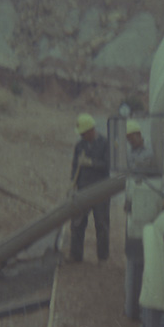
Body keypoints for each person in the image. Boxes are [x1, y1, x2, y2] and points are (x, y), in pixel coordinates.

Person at [69, 112, 110, 262]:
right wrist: (72, 183)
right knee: (77, 223)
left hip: (101, 191)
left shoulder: (105, 144)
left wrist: (92, 163)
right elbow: (75, 166)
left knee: (102, 225)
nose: (82, 136)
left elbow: (108, 166)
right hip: (83, 189)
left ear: (91, 130)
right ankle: (76, 255)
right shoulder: (80, 146)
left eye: (84, 133)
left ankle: (103, 258)